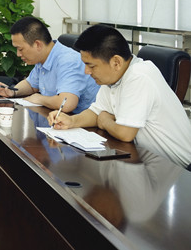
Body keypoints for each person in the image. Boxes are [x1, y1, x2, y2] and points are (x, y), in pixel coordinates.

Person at [48, 24, 191, 170]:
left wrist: (104, 121)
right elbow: (97, 112)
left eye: (91, 66)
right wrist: (71, 121)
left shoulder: (139, 76)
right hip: (146, 160)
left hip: (179, 169)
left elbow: (125, 133)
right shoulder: (112, 76)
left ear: (116, 62)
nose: (86, 71)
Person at [0, 16, 99, 114]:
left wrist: (40, 99)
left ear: (37, 44)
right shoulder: (43, 57)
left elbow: (66, 104)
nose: (18, 54)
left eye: (20, 49)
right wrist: (12, 91)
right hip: (59, 118)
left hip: (85, 123)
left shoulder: (68, 61)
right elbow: (31, 85)